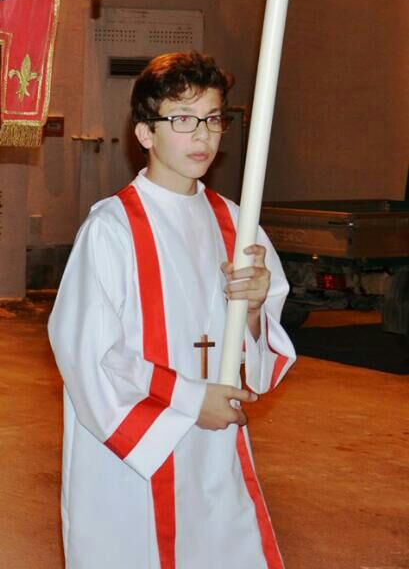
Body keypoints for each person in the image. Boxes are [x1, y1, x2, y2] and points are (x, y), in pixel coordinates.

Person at [48, 51, 296, 569]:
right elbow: (88, 355)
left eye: (212, 119)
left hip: (214, 450)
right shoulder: (113, 228)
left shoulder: (237, 224)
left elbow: (258, 353)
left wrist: (253, 311)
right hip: (137, 455)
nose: (202, 135)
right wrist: (191, 400)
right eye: (183, 119)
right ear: (145, 133)